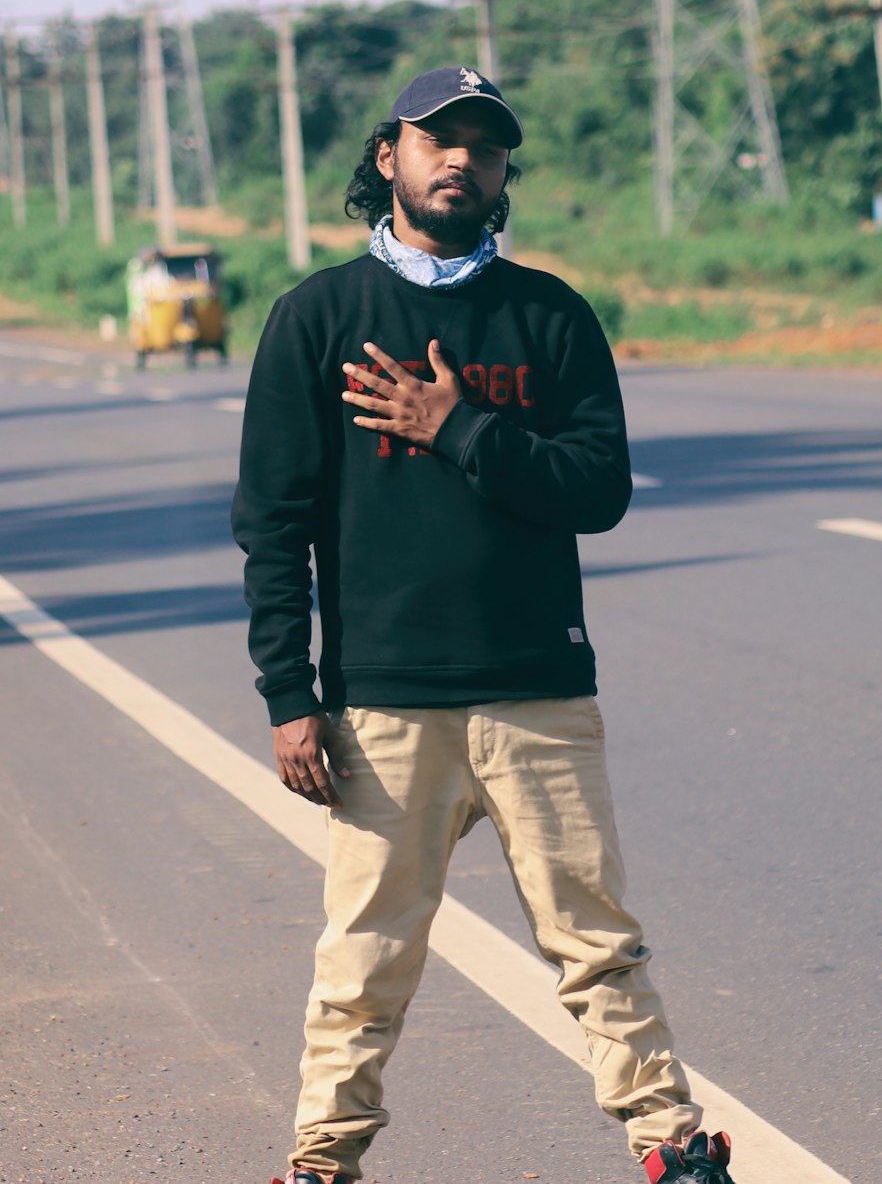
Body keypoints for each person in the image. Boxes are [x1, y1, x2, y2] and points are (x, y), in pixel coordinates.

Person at [232, 66, 736, 1184]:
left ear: (505, 174)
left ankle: (675, 1149)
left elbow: (596, 490)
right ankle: (322, 1162)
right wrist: (288, 694)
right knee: (363, 961)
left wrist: (460, 425)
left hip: (535, 691)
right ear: (388, 158)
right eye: (437, 140)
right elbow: (272, 522)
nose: (461, 159)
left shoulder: (547, 316)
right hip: (383, 701)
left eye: (485, 146)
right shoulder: (319, 318)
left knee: (597, 947)